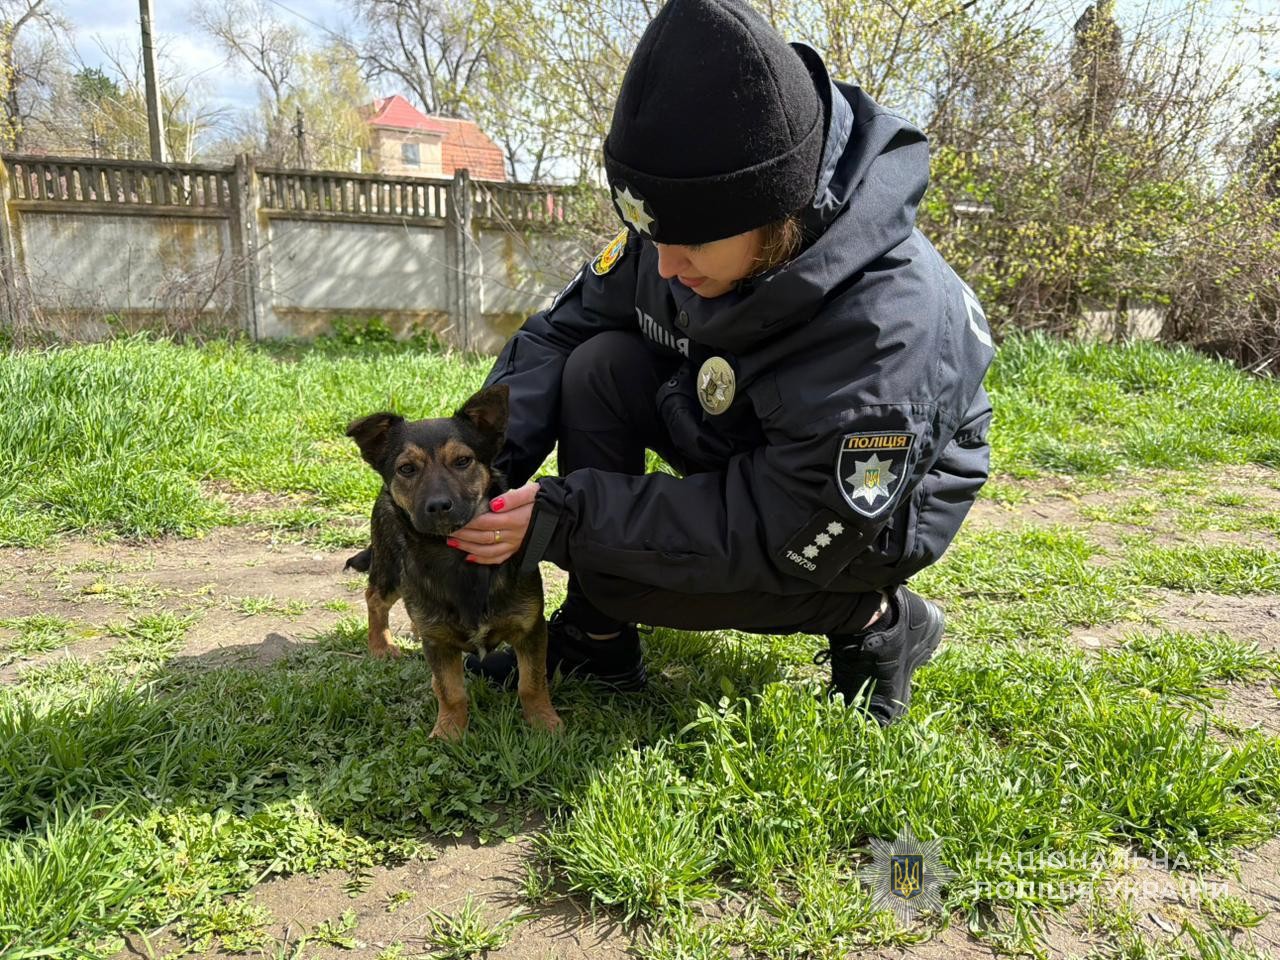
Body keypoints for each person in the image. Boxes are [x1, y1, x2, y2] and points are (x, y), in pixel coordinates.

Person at [443, 0, 995, 726]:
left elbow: (776, 526)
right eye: (649, 234)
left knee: (617, 562)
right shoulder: (693, 223)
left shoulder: (886, 333)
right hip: (749, 423)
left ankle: (877, 618)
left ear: (776, 209)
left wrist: (568, 518)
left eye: (689, 245)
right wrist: (479, 467)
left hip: (859, 513)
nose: (663, 265)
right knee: (599, 364)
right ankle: (599, 635)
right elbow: (560, 334)